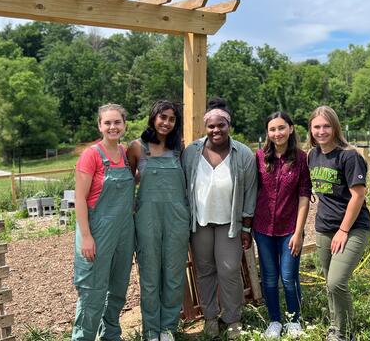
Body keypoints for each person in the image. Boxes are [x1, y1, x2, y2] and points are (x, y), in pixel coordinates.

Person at [181, 97, 258, 339]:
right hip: (200, 223)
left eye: (221, 125)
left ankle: (233, 319)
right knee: (204, 271)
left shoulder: (243, 153)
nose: (216, 130)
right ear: (206, 127)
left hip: (229, 224)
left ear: (229, 125)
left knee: (230, 270)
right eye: (211, 126)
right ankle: (211, 318)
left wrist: (246, 228)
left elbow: (250, 193)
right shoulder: (192, 152)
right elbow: (184, 185)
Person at [127, 101, 190, 341]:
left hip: (176, 219)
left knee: (174, 275)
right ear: (153, 117)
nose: (166, 122)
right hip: (147, 219)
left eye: (172, 119)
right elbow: (128, 183)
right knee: (150, 276)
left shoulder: (179, 148)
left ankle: (168, 329)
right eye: (162, 117)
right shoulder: (136, 147)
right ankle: (151, 331)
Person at [307, 106, 370, 341]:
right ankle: (337, 326)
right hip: (325, 227)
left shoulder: (349, 155)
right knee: (329, 282)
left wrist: (343, 230)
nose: (322, 131)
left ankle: (343, 334)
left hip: (353, 227)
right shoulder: (312, 156)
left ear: (335, 127)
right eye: (317, 127)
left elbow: (358, 195)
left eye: (326, 126)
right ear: (311, 130)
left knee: (337, 282)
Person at [72, 104, 135, 341]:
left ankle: (110, 335)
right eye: (107, 123)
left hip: (123, 232)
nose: (113, 127)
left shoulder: (127, 154)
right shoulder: (91, 155)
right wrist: (86, 236)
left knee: (118, 288)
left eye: (117, 122)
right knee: (92, 292)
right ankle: (83, 338)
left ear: (124, 125)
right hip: (97, 232)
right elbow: (79, 198)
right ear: (100, 125)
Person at [253, 112, 311, 339]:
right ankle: (275, 320)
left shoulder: (301, 158)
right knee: (268, 277)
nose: (277, 133)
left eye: (281, 128)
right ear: (267, 133)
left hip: (290, 229)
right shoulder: (259, 157)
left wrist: (298, 233)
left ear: (291, 129)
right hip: (263, 227)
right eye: (272, 129)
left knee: (288, 277)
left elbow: (305, 195)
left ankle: (294, 320)